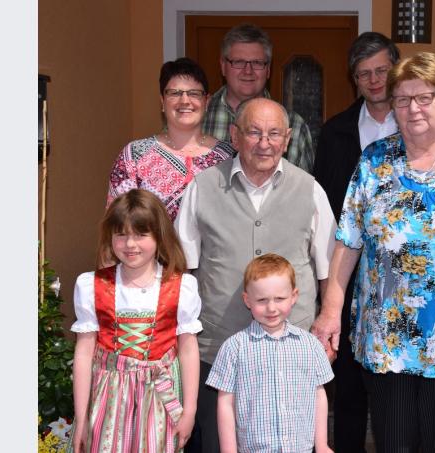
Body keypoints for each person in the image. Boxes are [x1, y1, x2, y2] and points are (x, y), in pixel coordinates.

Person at [312, 51, 435, 452]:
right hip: (386, 338)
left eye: (424, 97)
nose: (413, 108)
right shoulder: (374, 161)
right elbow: (348, 241)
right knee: (395, 444)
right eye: (402, 100)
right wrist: (330, 312)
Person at [176, 97, 336, 453]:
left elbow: (329, 267)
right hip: (217, 349)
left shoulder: (309, 189)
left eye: (274, 133)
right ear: (234, 135)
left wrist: (329, 319)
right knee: (219, 443)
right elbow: (182, 269)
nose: (264, 143)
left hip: (291, 351)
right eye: (254, 132)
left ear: (288, 138)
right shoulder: (202, 188)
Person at [311, 31, 399, 453]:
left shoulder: (421, 126)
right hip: (347, 277)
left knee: (396, 396)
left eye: (382, 70)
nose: (375, 80)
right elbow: (326, 207)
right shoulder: (335, 133)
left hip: (404, 283)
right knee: (347, 389)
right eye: (365, 74)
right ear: (354, 80)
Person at [69, 189, 201, 453]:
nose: (130, 244)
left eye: (141, 234)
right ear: (110, 237)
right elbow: (84, 353)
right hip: (108, 398)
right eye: (121, 235)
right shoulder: (92, 285)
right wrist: (82, 417)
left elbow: (187, 350)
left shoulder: (181, 286)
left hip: (159, 399)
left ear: (159, 237)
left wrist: (190, 410)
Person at [208, 254, 335, 453]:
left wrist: (321, 444)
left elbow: (319, 396)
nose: (271, 308)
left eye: (280, 299)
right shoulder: (234, 347)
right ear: (247, 300)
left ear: (294, 296)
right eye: (262, 300)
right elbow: (225, 403)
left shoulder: (310, 345)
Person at [107, 58, 236, 221]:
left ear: (207, 102)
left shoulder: (230, 157)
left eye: (194, 93)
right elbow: (117, 222)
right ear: (162, 101)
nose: (185, 100)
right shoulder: (134, 156)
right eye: (175, 93)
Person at [203, 22, 314, 173]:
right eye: (239, 62)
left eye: (257, 63)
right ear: (223, 66)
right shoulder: (198, 117)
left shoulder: (294, 125)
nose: (247, 71)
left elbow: (303, 192)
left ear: (268, 70)